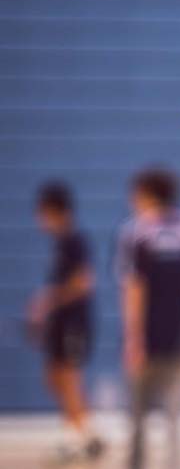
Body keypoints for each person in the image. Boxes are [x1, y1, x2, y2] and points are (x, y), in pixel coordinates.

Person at [115, 167, 180, 469]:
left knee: (137, 419)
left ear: (147, 195)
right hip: (179, 336)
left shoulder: (136, 232)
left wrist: (133, 338)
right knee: (175, 419)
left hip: (147, 338)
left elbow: (133, 288)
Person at [28, 181, 105, 464]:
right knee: (54, 377)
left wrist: (48, 300)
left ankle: (74, 439)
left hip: (74, 323)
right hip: (60, 323)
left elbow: (84, 282)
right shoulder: (60, 244)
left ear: (55, 211)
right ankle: (88, 434)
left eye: (43, 213)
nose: (40, 220)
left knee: (69, 378)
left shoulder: (75, 241)